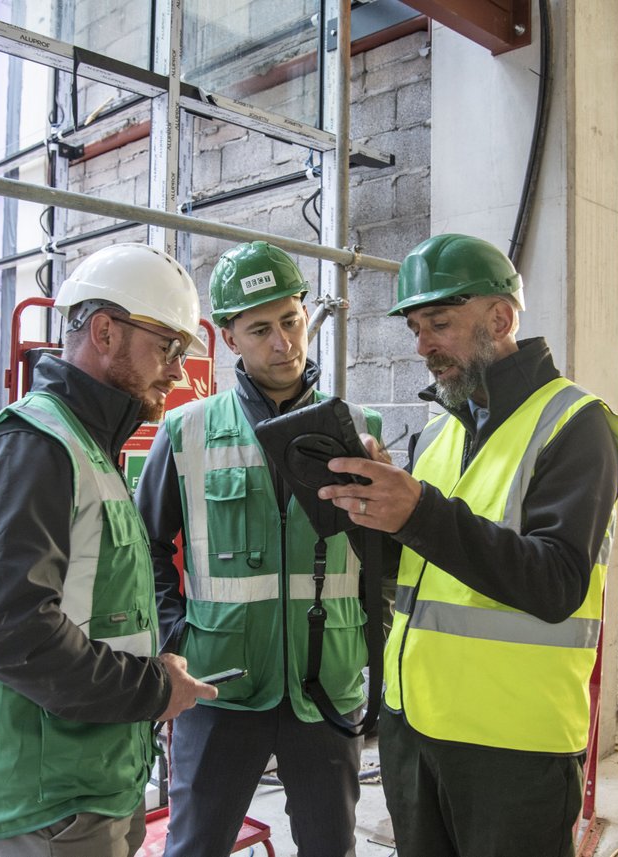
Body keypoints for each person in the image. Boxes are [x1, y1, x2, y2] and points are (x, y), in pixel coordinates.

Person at [318, 233, 618, 857]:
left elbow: (556, 583)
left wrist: (419, 511)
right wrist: (369, 513)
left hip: (511, 747)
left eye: (439, 322)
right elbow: (418, 572)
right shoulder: (440, 434)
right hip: (414, 731)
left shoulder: (577, 425)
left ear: (500, 317)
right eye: (415, 327)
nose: (423, 345)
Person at [0, 242, 220, 857]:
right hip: (46, 799)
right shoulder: (28, 450)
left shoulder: (84, 447)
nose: (178, 370)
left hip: (90, 780)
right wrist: (152, 688)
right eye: (168, 347)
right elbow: (13, 635)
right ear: (104, 331)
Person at [135, 240, 384, 857]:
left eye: (292, 321)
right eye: (261, 329)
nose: (284, 344)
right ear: (228, 337)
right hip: (218, 685)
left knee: (330, 846)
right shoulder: (186, 430)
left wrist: (372, 650)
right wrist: (175, 638)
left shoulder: (361, 430)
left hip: (324, 679)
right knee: (196, 845)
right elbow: (144, 544)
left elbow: (381, 556)